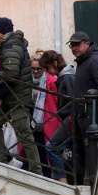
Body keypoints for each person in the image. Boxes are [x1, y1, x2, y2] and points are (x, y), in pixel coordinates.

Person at [0, 17, 41, 174]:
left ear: (2, 31)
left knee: (25, 134)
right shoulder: (10, 45)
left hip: (18, 98)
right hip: (12, 97)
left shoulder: (11, 45)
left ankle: (37, 172)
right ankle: (3, 159)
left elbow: (11, 72)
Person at [39, 51, 79, 183]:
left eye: (48, 68)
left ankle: (62, 180)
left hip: (71, 118)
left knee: (51, 147)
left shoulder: (66, 77)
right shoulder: (68, 75)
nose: (48, 72)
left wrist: (72, 118)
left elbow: (74, 99)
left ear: (55, 64)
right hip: (70, 118)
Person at [28, 52, 60, 177]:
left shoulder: (51, 80)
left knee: (45, 149)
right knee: (36, 146)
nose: (35, 72)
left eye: (38, 69)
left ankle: (48, 175)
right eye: (33, 69)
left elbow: (57, 101)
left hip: (47, 118)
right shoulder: (30, 81)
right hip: (35, 118)